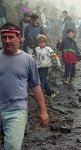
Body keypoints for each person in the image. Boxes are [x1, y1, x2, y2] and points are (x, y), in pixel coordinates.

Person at [0, 22, 49, 150]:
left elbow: (36, 86)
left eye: (11, 37)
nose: (7, 41)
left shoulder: (27, 60)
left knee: (12, 146)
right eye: (4, 37)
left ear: (19, 37)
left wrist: (43, 111)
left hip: (16, 110)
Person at [34, 34, 61, 100]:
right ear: (38, 43)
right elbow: (35, 57)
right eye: (39, 43)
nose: (41, 44)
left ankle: (39, 94)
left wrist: (57, 63)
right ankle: (51, 93)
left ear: (45, 43)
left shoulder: (48, 49)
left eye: (42, 43)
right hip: (38, 66)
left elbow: (54, 56)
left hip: (45, 66)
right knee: (44, 81)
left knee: (41, 80)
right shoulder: (37, 49)